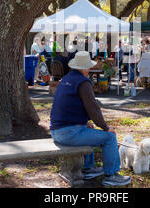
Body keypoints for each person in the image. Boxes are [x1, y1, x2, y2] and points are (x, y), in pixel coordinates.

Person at [50, 51, 131, 186]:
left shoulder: (66, 79)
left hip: (56, 132)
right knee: (109, 138)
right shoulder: (83, 82)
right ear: (86, 67)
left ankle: (88, 169)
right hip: (69, 133)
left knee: (87, 129)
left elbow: (69, 105)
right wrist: (106, 128)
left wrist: (85, 121)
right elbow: (93, 109)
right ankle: (111, 175)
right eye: (88, 66)